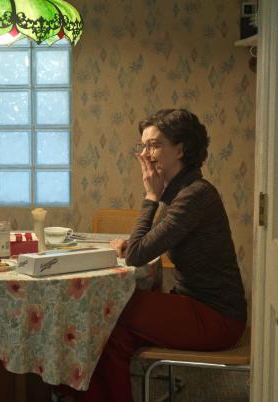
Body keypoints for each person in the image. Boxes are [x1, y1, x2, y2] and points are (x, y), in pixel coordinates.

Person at [79, 109, 248, 402]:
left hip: (216, 318)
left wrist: (150, 197)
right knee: (113, 334)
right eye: (142, 146)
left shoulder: (194, 195)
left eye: (155, 145)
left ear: (181, 149)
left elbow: (136, 254)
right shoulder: (182, 193)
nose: (145, 154)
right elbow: (147, 243)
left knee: (107, 312)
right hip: (195, 305)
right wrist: (135, 239)